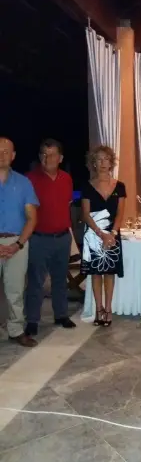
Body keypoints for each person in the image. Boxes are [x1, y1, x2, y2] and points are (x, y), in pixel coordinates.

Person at [25, 139, 75, 336]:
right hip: (38, 239)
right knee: (36, 282)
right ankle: (32, 320)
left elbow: (67, 206)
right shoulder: (29, 179)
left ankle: (61, 315)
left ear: (60, 158)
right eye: (44, 154)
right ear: (39, 157)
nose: (48, 159)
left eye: (52, 155)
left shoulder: (67, 179)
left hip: (62, 238)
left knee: (60, 280)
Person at [81, 145, 126, 327]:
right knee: (96, 273)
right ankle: (98, 310)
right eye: (98, 159)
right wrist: (101, 234)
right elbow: (85, 214)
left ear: (111, 162)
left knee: (109, 272)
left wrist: (112, 233)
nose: (102, 163)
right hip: (93, 234)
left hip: (113, 234)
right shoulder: (87, 186)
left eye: (106, 159)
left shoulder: (120, 186)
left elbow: (120, 214)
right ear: (93, 162)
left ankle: (108, 309)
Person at [0, 137, 38, 347]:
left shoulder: (24, 183)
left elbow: (32, 218)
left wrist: (18, 244)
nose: (1, 155)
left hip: (17, 242)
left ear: (13, 156)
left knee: (15, 290)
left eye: (6, 151)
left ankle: (16, 330)